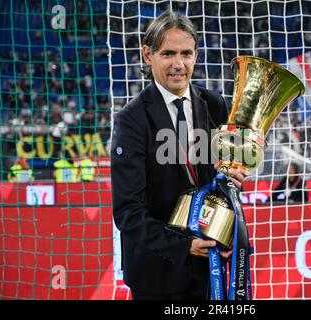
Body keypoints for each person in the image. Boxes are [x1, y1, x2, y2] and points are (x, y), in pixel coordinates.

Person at [111, 11, 247, 300]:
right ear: (148, 55)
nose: (178, 64)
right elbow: (128, 213)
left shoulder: (217, 106)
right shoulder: (131, 120)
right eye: (168, 53)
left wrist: (234, 178)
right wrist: (183, 246)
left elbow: (227, 181)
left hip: (209, 268)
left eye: (186, 53)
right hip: (157, 272)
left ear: (196, 55)